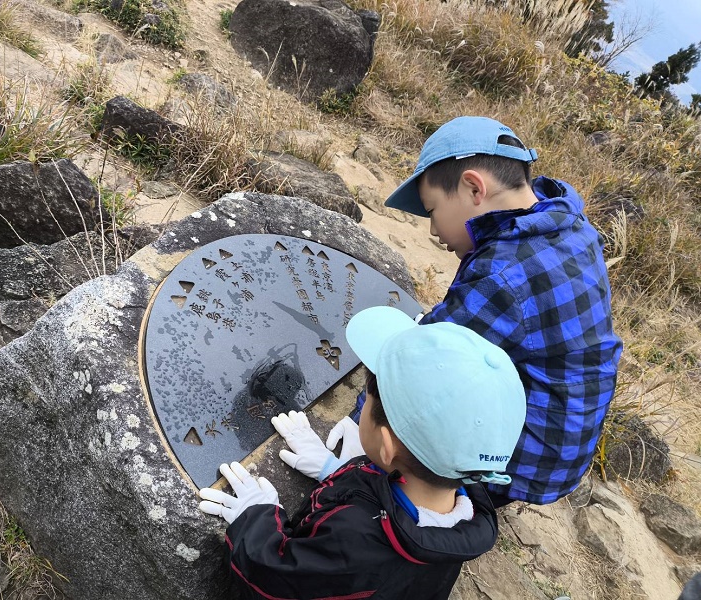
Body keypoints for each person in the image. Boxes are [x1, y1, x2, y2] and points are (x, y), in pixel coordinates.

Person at [367, 115, 623, 507]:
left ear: (473, 188)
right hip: (565, 446)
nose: (433, 230)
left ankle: (454, 506)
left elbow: (421, 367)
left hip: (522, 462)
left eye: (432, 210)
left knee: (406, 444)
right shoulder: (565, 222)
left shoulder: (504, 274)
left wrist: (365, 421)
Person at [198, 306, 527, 600]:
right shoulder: (462, 509)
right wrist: (335, 472)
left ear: (387, 446)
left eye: (366, 399)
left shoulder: (354, 540)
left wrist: (256, 516)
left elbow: (273, 579)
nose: (362, 405)